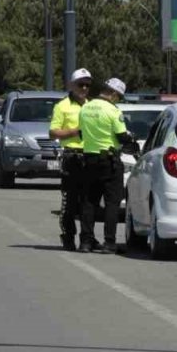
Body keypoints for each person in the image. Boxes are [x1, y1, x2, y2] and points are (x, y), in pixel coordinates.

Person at [77, 77, 137, 254]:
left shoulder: (85, 107)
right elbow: (121, 136)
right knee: (112, 202)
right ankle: (109, 243)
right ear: (112, 93)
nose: (118, 100)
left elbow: (81, 134)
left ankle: (85, 242)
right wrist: (131, 143)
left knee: (89, 202)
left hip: (88, 159)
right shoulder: (113, 111)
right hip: (109, 161)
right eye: (118, 96)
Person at [49, 68, 92, 251]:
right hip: (71, 156)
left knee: (88, 202)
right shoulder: (62, 106)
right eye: (80, 84)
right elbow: (53, 133)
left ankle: (86, 240)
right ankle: (68, 237)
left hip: (90, 156)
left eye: (87, 85)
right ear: (72, 85)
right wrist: (74, 132)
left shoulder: (92, 106)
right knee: (69, 201)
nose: (84, 88)